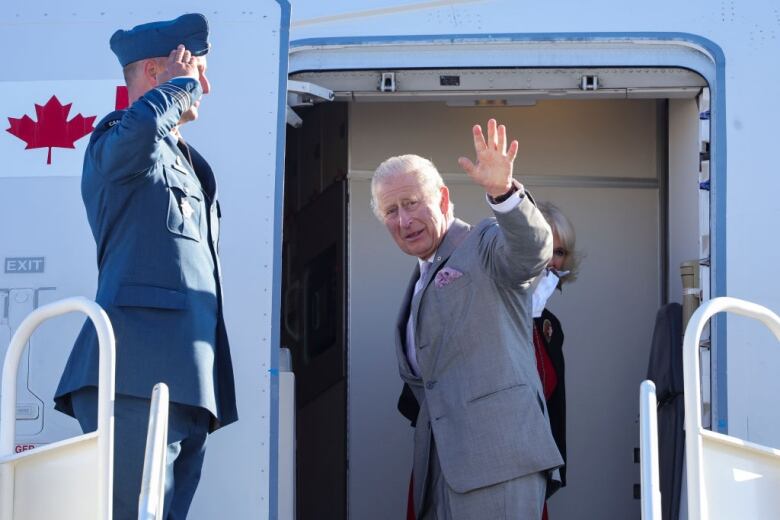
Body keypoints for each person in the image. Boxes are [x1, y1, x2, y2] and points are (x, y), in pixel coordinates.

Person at [53, 13, 237, 519]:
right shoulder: (122, 140)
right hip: (133, 373)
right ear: (160, 73)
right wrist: (177, 91)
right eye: (196, 71)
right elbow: (133, 140)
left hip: (187, 378)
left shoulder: (184, 160)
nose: (204, 86)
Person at [372, 119, 563, 519]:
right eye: (391, 210)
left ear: (442, 198)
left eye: (412, 203)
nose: (404, 221)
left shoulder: (482, 243)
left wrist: (503, 194)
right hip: (440, 472)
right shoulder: (419, 279)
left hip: (498, 463)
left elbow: (532, 251)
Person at [531, 201, 580, 519]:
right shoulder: (488, 309)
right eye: (544, 248)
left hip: (534, 469)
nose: (552, 261)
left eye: (559, 252)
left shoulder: (550, 326)